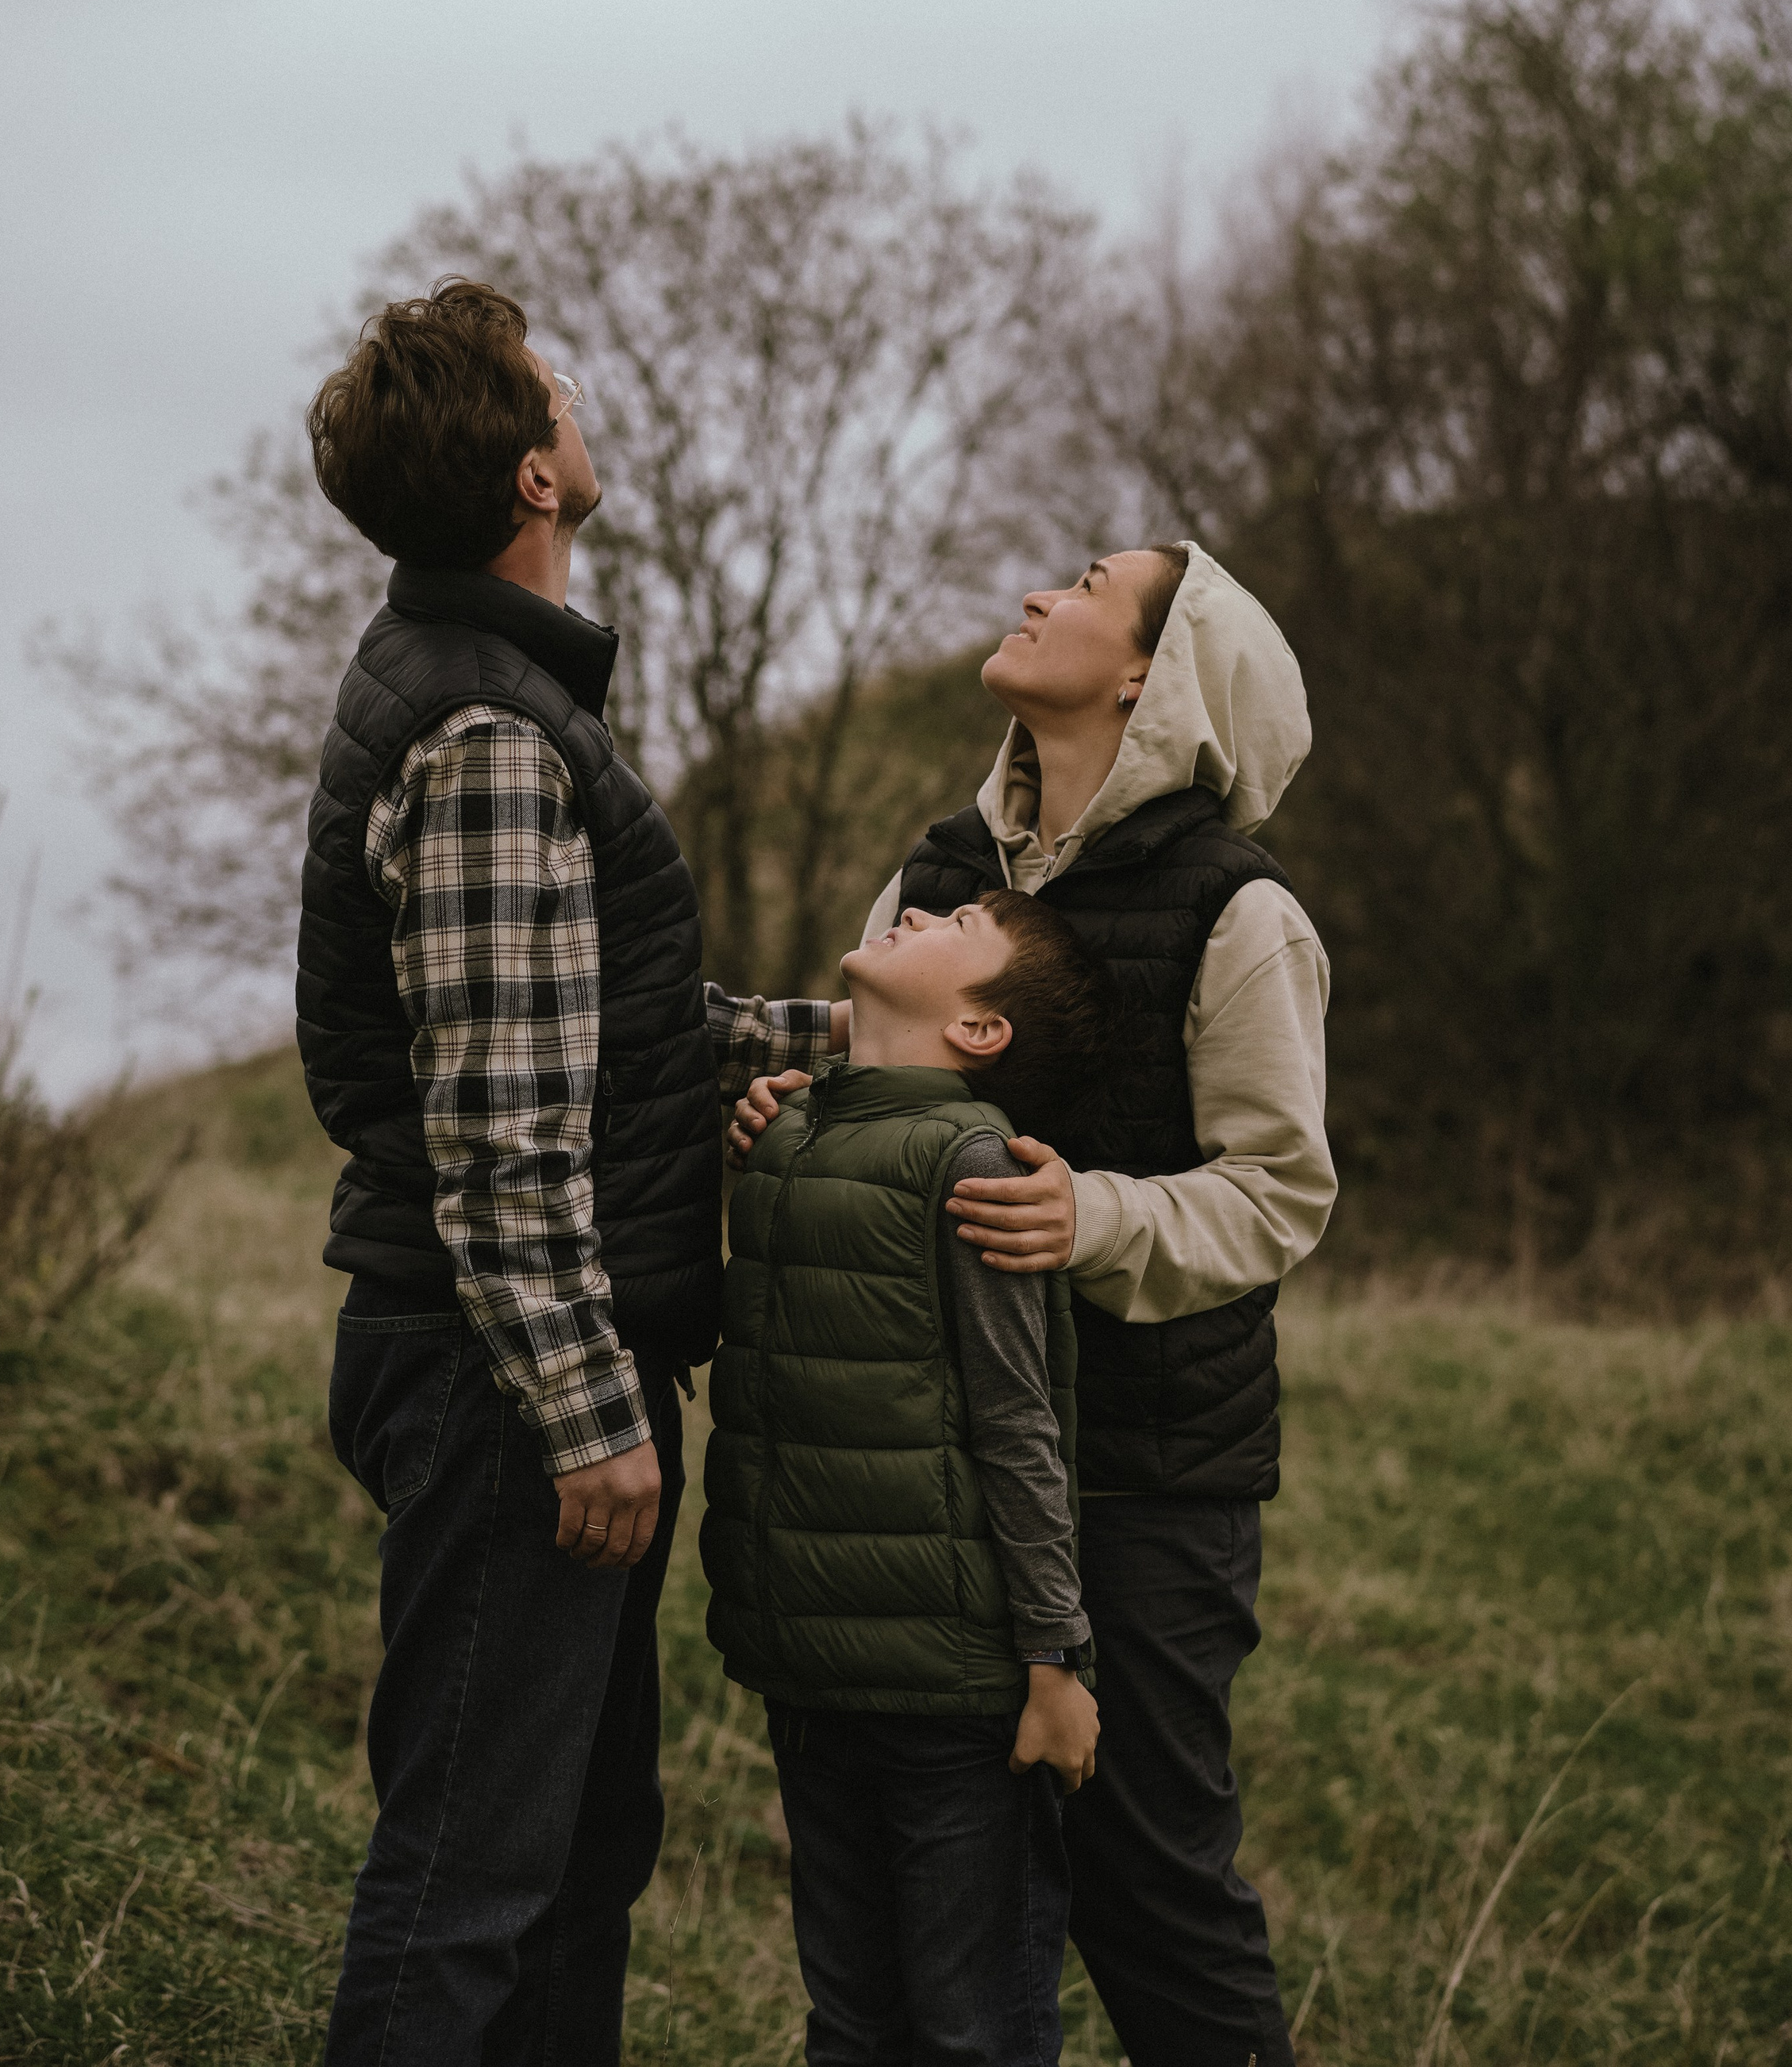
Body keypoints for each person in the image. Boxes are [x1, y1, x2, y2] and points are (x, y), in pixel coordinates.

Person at [296, 280, 837, 2065]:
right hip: (504, 1379)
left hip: (515, 1365)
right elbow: (502, 1130)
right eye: (563, 388)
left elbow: (591, 1018)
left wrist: (837, 1046)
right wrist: (590, 1408)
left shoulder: (498, 694)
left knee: (577, 1861)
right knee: (464, 1884)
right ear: (536, 473)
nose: (586, 402)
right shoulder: (484, 734)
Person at [731, 540, 1334, 2067]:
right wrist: (796, 1115)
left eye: (1087, 580)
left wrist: (1093, 1214)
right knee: (938, 1912)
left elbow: (1281, 1190)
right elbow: (892, 1088)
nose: (1039, 589)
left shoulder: (1242, 912)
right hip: (939, 1492)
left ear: (1152, 670)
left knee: (1145, 1885)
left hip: (1146, 1466)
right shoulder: (940, 875)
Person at [705, 885, 1110, 2067]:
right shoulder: (788, 1128)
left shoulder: (971, 1160)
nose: (921, 906)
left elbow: (1019, 1425)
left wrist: (1055, 1658)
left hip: (956, 1699)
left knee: (971, 2031)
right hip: (816, 1677)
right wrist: (771, 1121)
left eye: (958, 926)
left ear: (981, 1030)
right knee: (854, 2022)